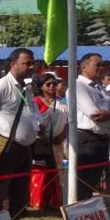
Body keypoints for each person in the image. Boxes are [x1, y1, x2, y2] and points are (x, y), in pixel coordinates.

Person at [0, 48, 39, 220]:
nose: (31, 67)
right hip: (2, 146)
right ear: (13, 64)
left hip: (25, 149)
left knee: (20, 197)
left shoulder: (26, 88)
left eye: (32, 63)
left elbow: (31, 113)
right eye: (27, 63)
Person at [74, 53, 110, 200]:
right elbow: (96, 115)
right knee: (83, 182)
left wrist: (107, 114)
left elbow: (105, 113)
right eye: (97, 65)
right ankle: (80, 209)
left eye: (103, 65)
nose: (101, 68)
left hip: (101, 139)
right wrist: (106, 114)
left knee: (93, 180)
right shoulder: (78, 86)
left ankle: (88, 208)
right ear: (84, 67)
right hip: (86, 139)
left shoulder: (99, 88)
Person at [30, 73, 68, 209]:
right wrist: (42, 136)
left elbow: (67, 121)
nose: (52, 86)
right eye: (48, 84)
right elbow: (32, 121)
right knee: (41, 173)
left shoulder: (62, 102)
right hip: (40, 144)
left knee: (56, 171)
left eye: (54, 84)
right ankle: (38, 201)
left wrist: (62, 134)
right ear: (41, 86)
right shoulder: (35, 102)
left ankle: (54, 201)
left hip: (58, 143)